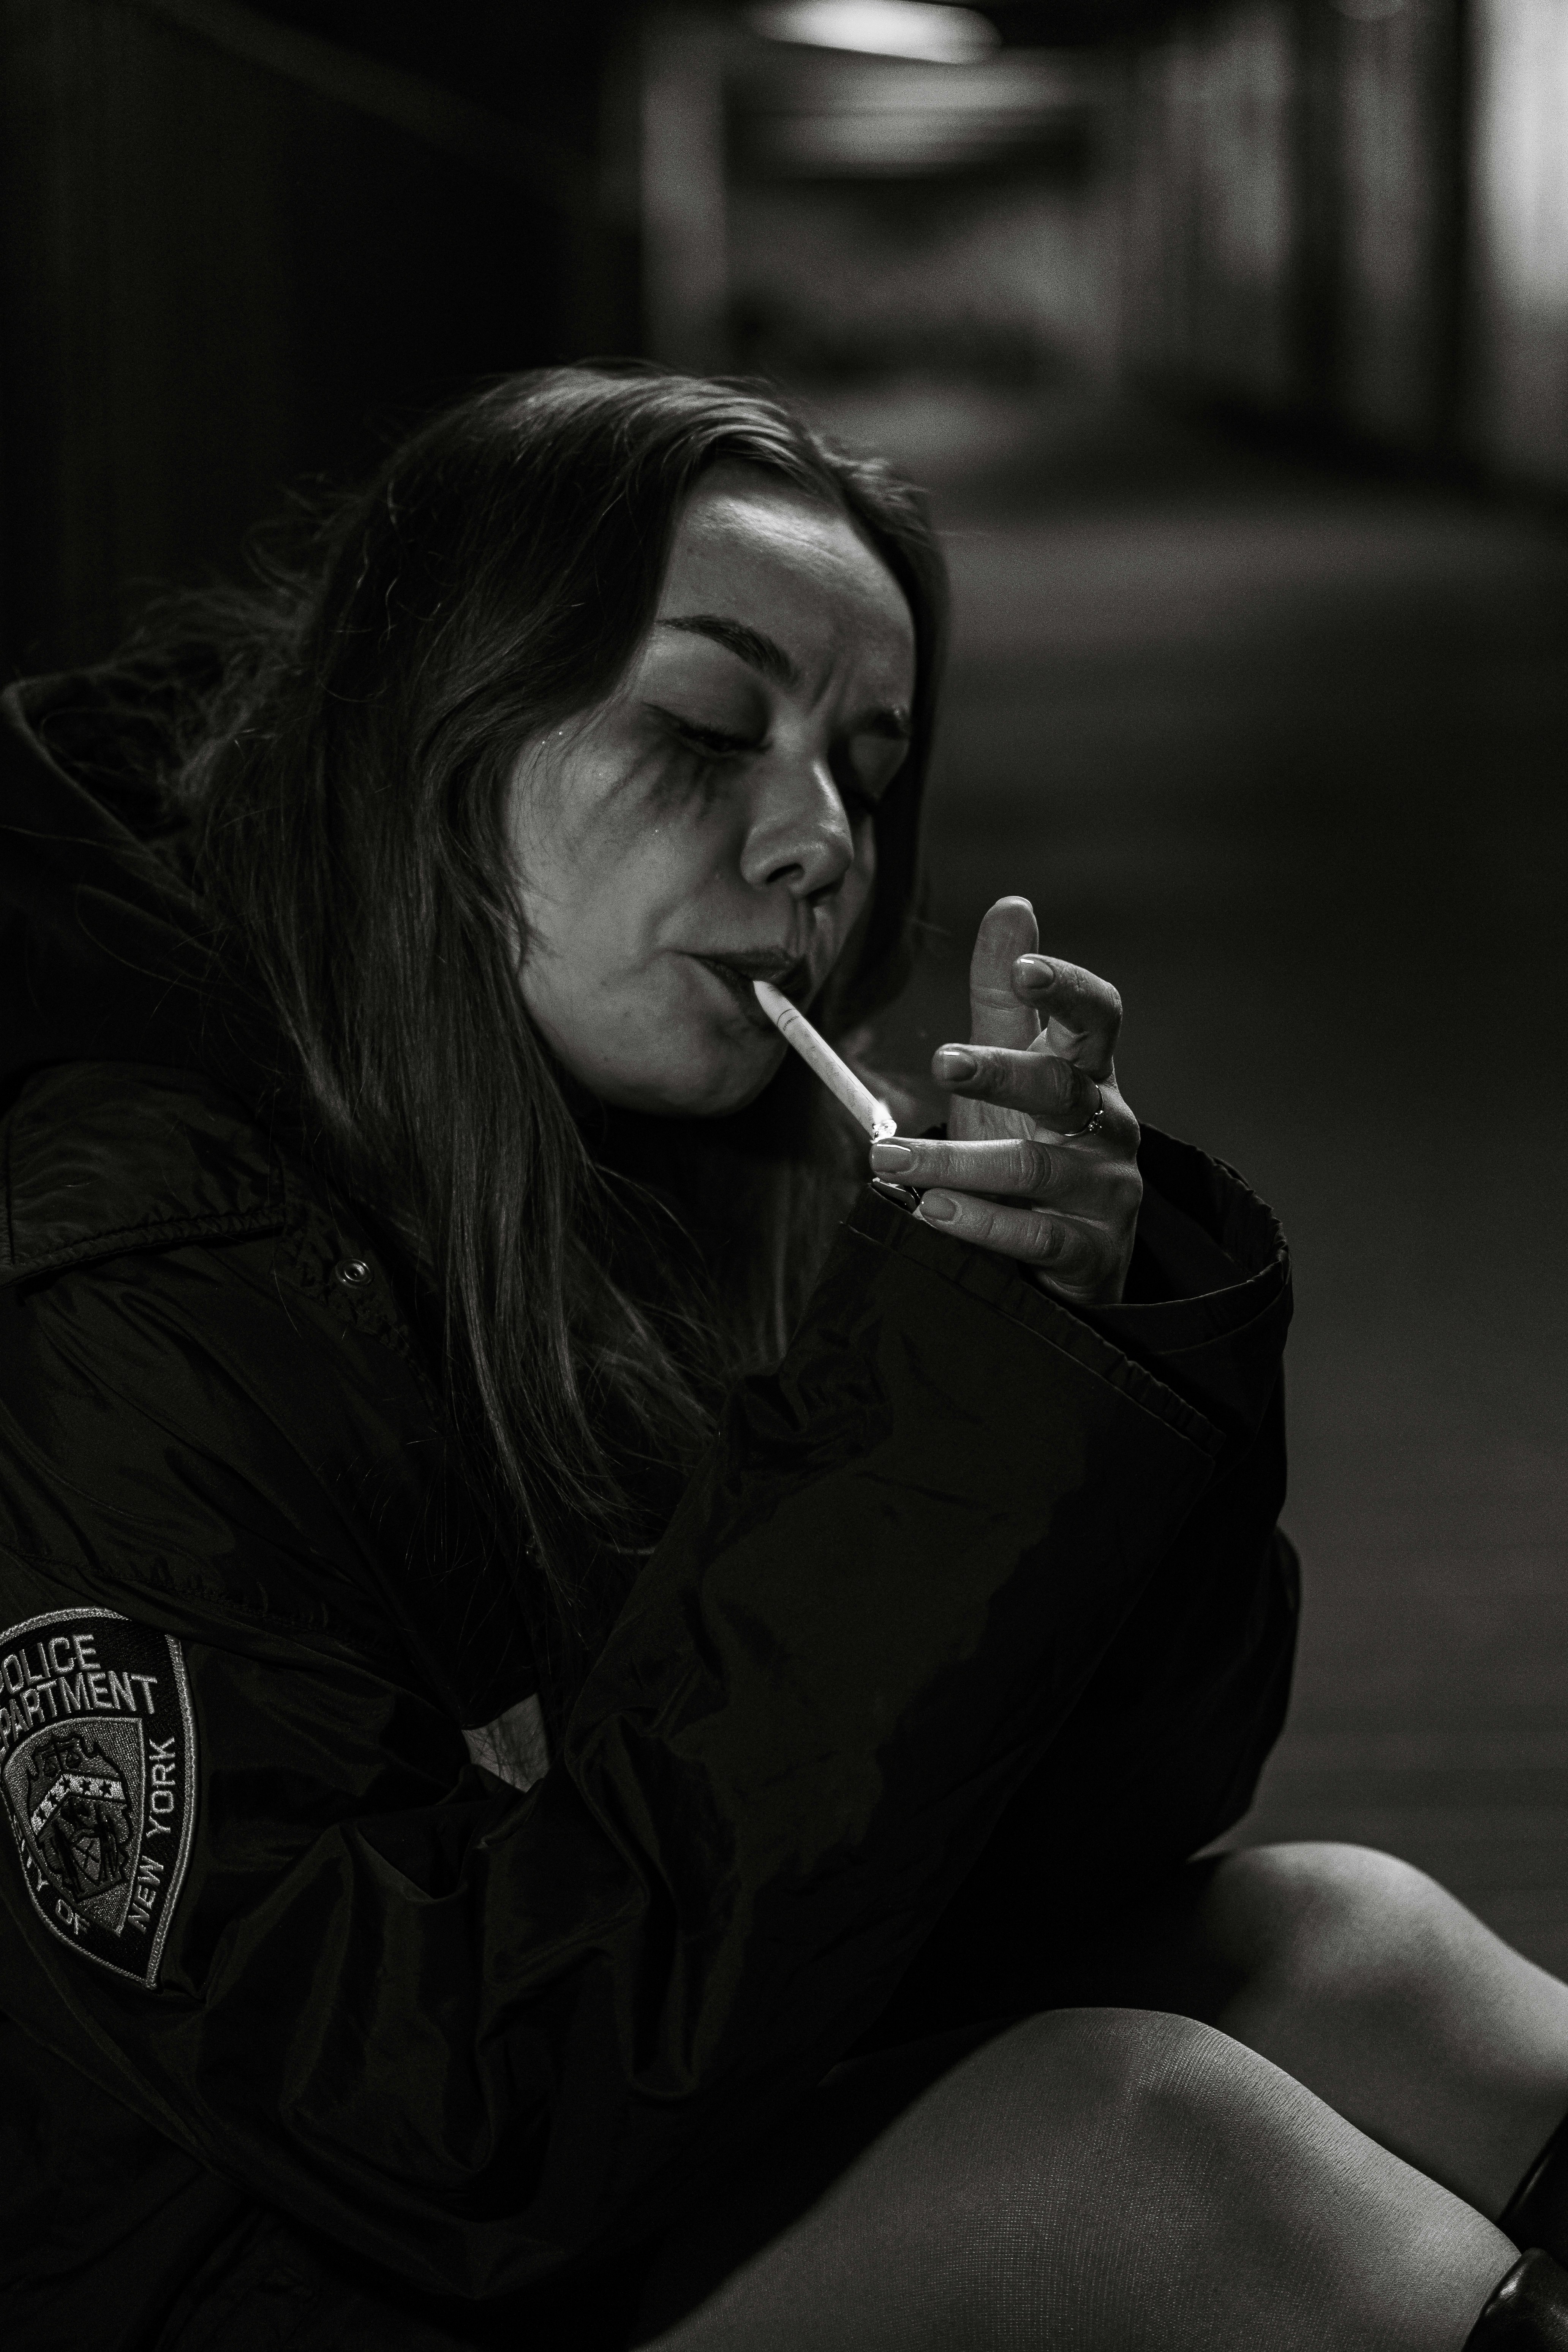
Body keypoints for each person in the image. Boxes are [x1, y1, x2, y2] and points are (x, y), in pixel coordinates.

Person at [2, 364, 1567, 2352]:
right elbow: (455, 2115)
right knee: (1136, 2149)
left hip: (576, 2122)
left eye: (869, 763)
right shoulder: (127, 1294)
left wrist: (1065, 1381)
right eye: (708, 726)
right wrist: (930, 1440)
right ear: (421, 738)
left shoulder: (675, 1162)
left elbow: (1076, 1839)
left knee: (1342, 1938)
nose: (821, 839)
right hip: (270, 2253)